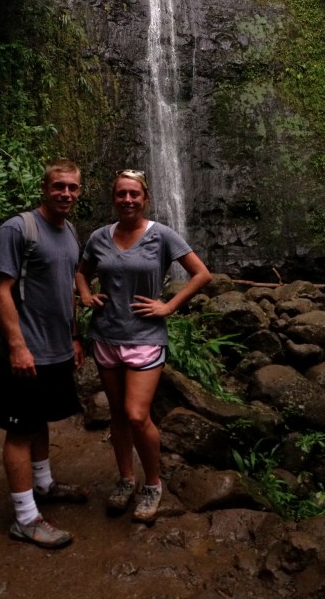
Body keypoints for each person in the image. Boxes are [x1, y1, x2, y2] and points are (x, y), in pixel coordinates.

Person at [75, 169, 212, 524]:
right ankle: (125, 478)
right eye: (121, 194)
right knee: (118, 415)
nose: (128, 200)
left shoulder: (162, 235)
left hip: (146, 338)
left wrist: (169, 306)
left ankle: (152, 483)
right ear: (114, 198)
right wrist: (86, 296)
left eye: (134, 194)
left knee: (137, 414)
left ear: (145, 198)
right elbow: (81, 272)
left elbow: (201, 274)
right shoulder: (99, 237)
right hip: (106, 336)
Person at [0, 158, 89, 550]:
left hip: (55, 348)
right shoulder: (18, 228)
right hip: (24, 350)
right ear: (45, 188)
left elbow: (68, 288)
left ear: (79, 192)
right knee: (20, 430)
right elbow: (0, 289)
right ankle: (26, 519)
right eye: (58, 186)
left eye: (72, 187)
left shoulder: (69, 231)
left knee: (38, 419)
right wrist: (17, 346)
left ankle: (44, 484)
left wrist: (74, 336)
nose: (65, 193)